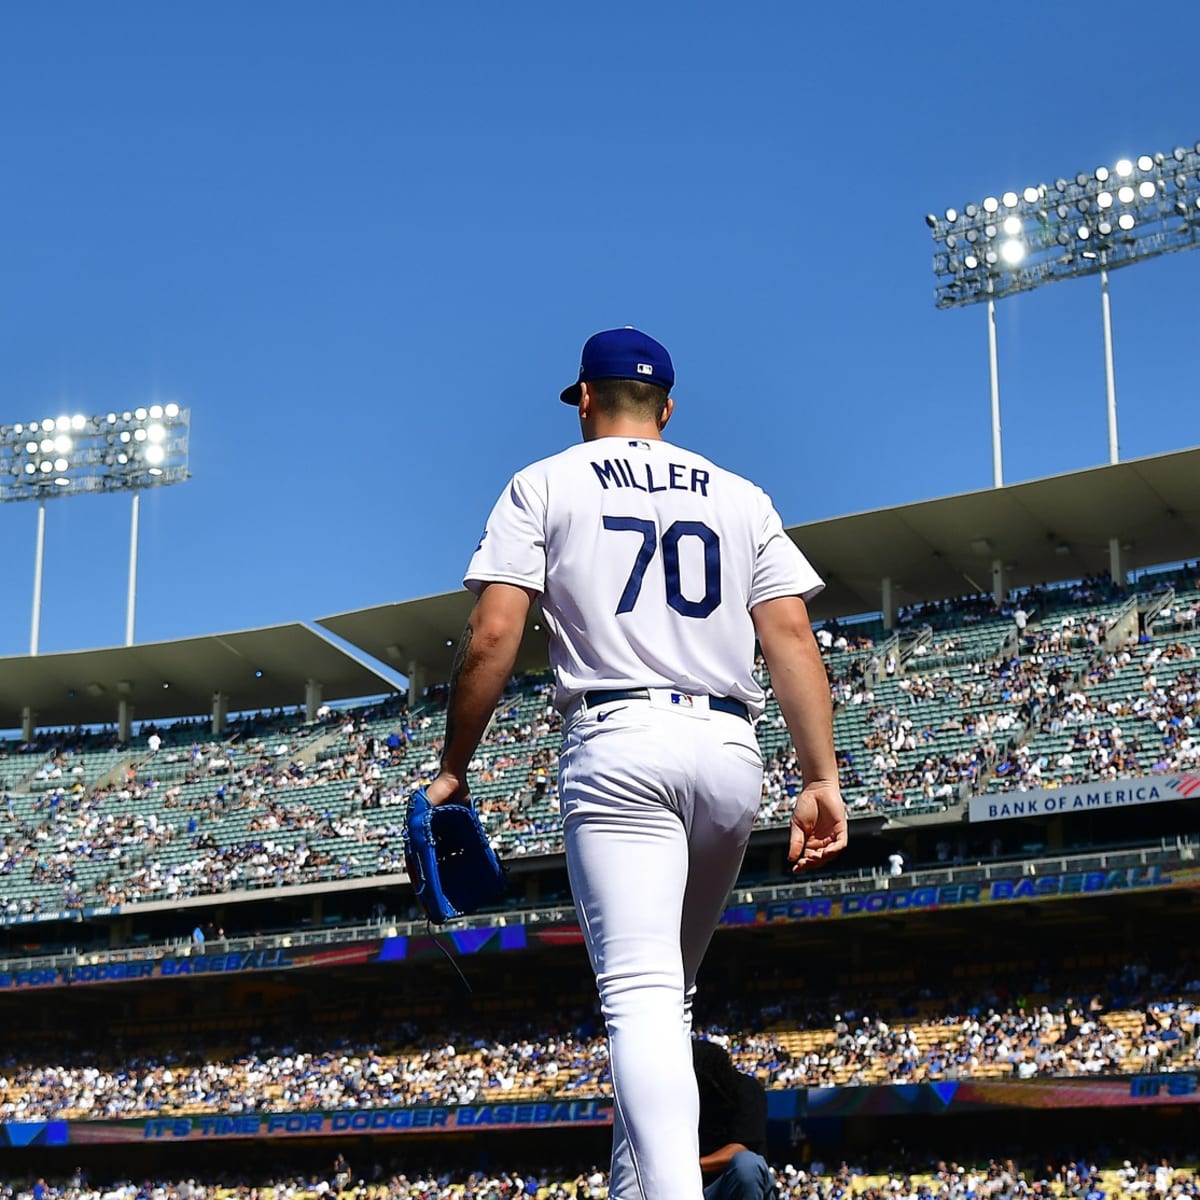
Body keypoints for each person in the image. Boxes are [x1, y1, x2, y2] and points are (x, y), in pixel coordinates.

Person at [425, 326, 847, 1200]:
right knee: (669, 999)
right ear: (668, 406)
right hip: (731, 748)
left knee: (642, 1000)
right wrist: (820, 777)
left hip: (621, 743)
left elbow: (496, 633)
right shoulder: (740, 493)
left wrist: (454, 765)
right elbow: (790, 635)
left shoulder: (542, 481)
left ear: (585, 398)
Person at [693, 1038, 773, 1200]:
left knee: (747, 1165)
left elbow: (741, 1148)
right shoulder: (680, 1098)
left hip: (730, 1184)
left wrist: (691, 1167)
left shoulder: (746, 1089)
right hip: (694, 1188)